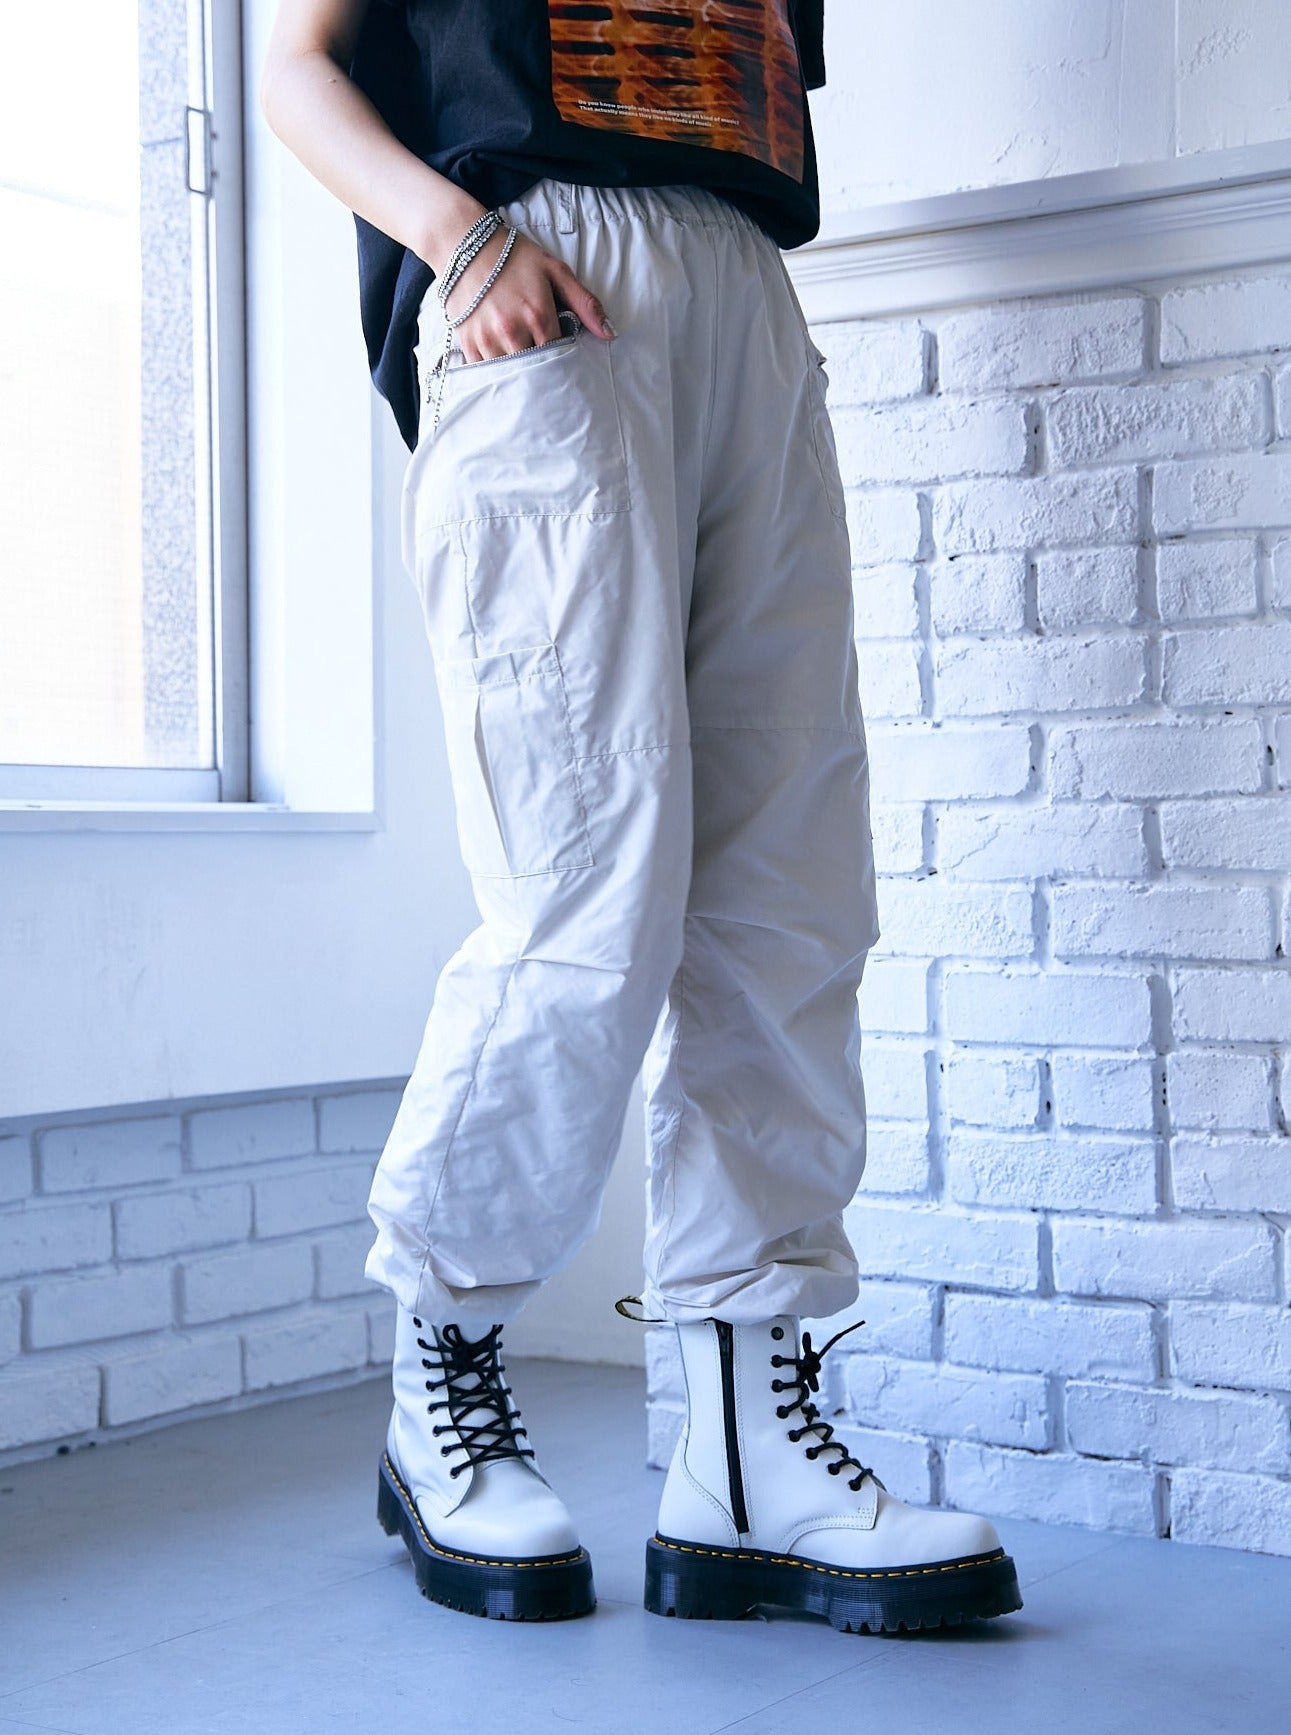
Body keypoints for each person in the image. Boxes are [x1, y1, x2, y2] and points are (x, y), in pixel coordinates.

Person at [260, 0, 1022, 1634]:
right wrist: (459, 241)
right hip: (538, 272)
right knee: (584, 886)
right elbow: (294, 65)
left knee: (791, 891)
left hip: (745, 286)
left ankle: (744, 1462)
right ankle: (441, 1380)